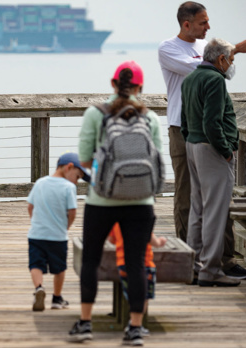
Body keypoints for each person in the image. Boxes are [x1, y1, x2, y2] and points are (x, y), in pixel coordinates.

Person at [158, 1, 246, 280]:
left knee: (214, 202)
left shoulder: (209, 53)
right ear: (186, 23)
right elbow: (202, 70)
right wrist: (226, 150)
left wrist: (227, 55)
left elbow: (218, 70)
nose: (208, 26)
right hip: (184, 131)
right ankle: (190, 259)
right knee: (188, 196)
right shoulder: (169, 48)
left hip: (195, 133)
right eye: (203, 22)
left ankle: (221, 259)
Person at [69, 61, 162, 346]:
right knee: (136, 263)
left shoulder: (95, 114)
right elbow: (156, 160)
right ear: (140, 88)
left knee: (92, 260)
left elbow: (83, 159)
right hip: (141, 201)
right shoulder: (151, 118)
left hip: (102, 200)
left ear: (112, 84)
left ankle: (85, 323)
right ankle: (135, 328)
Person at [181, 38, 243, 287]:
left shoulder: (190, 78)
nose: (231, 65)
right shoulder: (215, 80)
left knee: (198, 210)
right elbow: (212, 122)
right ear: (221, 59)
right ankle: (211, 270)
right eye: (231, 59)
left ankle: (193, 267)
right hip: (211, 150)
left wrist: (190, 141)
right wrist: (226, 151)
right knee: (216, 213)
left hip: (193, 147)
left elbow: (184, 118)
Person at [26, 153, 90, 312]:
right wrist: (66, 226)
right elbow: (72, 212)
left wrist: (36, 222)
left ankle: (39, 288)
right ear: (69, 167)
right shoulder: (69, 187)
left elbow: (30, 207)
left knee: (36, 264)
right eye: (77, 176)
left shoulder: (40, 183)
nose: (77, 180)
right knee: (59, 268)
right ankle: (56, 297)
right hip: (58, 236)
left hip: (36, 234)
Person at [108, 223, 167, 336]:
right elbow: (149, 237)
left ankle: (132, 321)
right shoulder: (140, 218)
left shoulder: (116, 222)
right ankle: (136, 324)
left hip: (123, 262)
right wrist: (159, 242)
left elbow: (111, 239)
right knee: (143, 295)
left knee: (130, 293)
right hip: (144, 263)